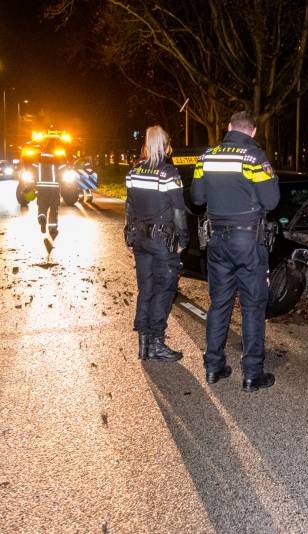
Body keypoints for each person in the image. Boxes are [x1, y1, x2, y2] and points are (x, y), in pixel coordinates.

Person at [191, 111, 280, 392]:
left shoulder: (206, 157)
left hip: (217, 240)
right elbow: (272, 200)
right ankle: (252, 374)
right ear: (252, 132)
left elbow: (196, 198)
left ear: (228, 127)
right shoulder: (255, 157)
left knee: (220, 304)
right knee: (253, 306)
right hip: (248, 242)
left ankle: (213, 367)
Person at [124, 125, 188, 362]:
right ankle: (157, 343)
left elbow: (129, 207)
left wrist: (129, 237)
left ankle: (144, 344)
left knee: (146, 288)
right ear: (165, 144)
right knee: (164, 289)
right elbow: (179, 210)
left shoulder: (134, 172)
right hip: (162, 240)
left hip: (140, 237)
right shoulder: (168, 173)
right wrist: (183, 239)